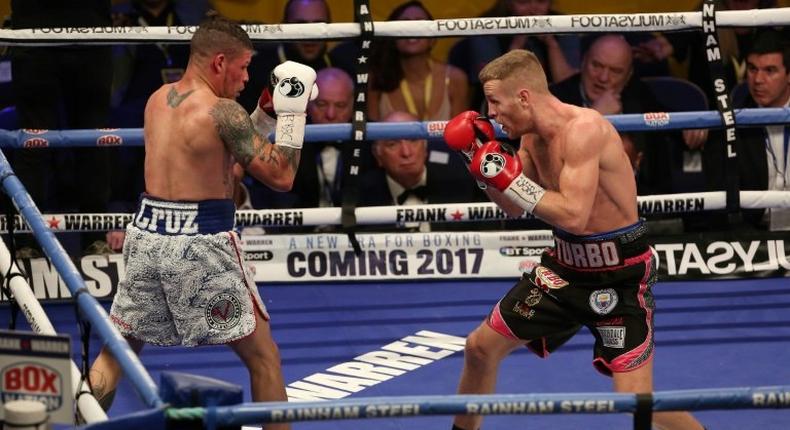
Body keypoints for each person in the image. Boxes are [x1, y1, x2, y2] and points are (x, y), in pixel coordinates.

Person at [443, 49, 704, 430]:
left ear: (524, 97)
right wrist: (478, 165)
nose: (491, 113)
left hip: (621, 273)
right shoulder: (530, 138)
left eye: (495, 102)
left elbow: (574, 214)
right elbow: (514, 207)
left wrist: (510, 179)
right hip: (563, 269)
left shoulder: (585, 129)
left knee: (634, 403)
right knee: (479, 348)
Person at [87, 15, 317, 429]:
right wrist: (292, 115)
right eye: (244, 66)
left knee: (117, 349)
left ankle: (77, 423)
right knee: (265, 359)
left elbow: (224, 163)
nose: (247, 77)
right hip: (201, 242)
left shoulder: (158, 99)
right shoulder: (224, 113)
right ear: (219, 62)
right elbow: (282, 176)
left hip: (148, 237)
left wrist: (263, 113)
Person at [703, 29, 790, 230]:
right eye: (752, 69)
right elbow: (720, 203)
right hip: (754, 238)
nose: (758, 80)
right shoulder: (729, 123)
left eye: (770, 70)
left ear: (788, 75)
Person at [359, 110, 484, 231]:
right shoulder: (361, 195)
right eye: (393, 144)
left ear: (425, 147)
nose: (406, 153)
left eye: (413, 140)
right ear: (377, 155)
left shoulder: (461, 185)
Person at [448, 0, 581, 112]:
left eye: (541, 0)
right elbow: (493, 84)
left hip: (552, 111)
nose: (533, 9)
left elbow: (568, 87)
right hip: (500, 112)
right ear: (509, 3)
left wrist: (552, 44)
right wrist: (519, 38)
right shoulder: (487, 27)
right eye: (523, 1)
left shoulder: (564, 24)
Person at [368, 1, 468, 121]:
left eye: (419, 23)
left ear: (432, 38)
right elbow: (374, 137)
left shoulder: (455, 78)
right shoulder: (377, 77)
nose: (412, 30)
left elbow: (462, 135)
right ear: (392, 37)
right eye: (405, 24)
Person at [237, 0, 333, 113]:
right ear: (284, 26)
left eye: (318, 25)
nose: (310, 35)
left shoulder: (340, 66)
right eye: (301, 25)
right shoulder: (255, 71)